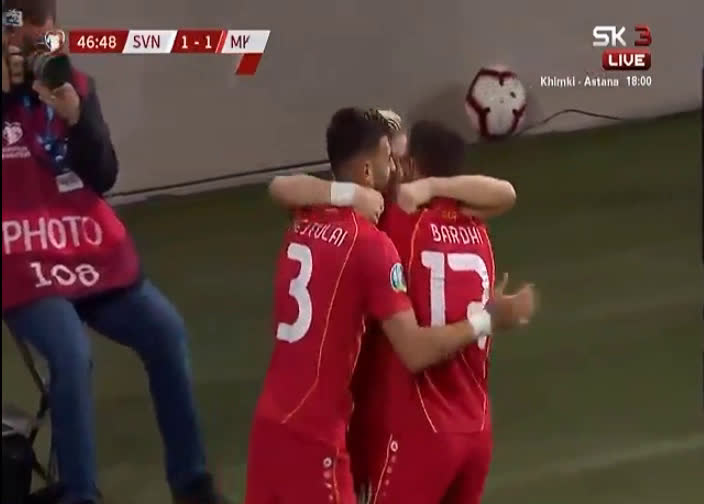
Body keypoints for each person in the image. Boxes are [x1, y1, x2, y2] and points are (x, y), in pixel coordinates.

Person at [244, 107, 535, 504]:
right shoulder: (443, 231)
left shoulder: (310, 217)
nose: (395, 166)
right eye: (388, 156)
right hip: (337, 434)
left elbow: (280, 187)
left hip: (275, 422)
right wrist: (490, 317)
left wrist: (354, 192)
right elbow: (506, 194)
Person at [1, 2, 228, 503]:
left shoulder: (74, 85)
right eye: (21, 29)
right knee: (71, 355)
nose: (35, 43)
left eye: (44, 29)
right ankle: (80, 493)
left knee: (167, 333)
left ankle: (191, 481)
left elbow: (102, 176)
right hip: (21, 261)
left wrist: (78, 119)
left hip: (86, 250)